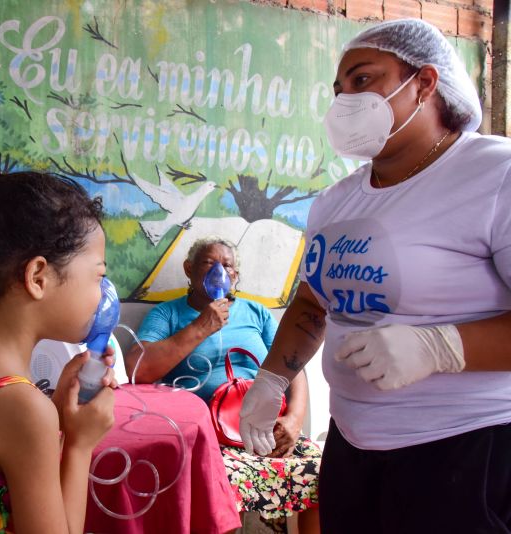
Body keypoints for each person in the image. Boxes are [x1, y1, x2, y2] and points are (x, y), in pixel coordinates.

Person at [239, 18, 511, 534]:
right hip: (354, 448)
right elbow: (313, 303)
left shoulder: (494, 174)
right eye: (338, 89)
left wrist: (439, 347)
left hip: (465, 452)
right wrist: (273, 377)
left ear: (425, 83)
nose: (344, 100)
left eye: (362, 80)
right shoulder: (336, 201)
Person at [0, 157, 116, 533]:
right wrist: (79, 445)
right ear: (38, 277)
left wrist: (58, 412)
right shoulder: (23, 408)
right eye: (98, 276)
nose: (103, 296)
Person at [124, 236, 320, 533]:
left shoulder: (257, 313)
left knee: (321, 472)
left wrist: (294, 420)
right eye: (208, 263)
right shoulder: (169, 313)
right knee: (217, 486)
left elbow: (295, 367)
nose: (219, 271)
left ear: (236, 276)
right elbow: (139, 369)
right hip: (204, 438)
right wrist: (202, 326)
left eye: (227, 265)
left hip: (263, 430)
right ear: (189, 269)